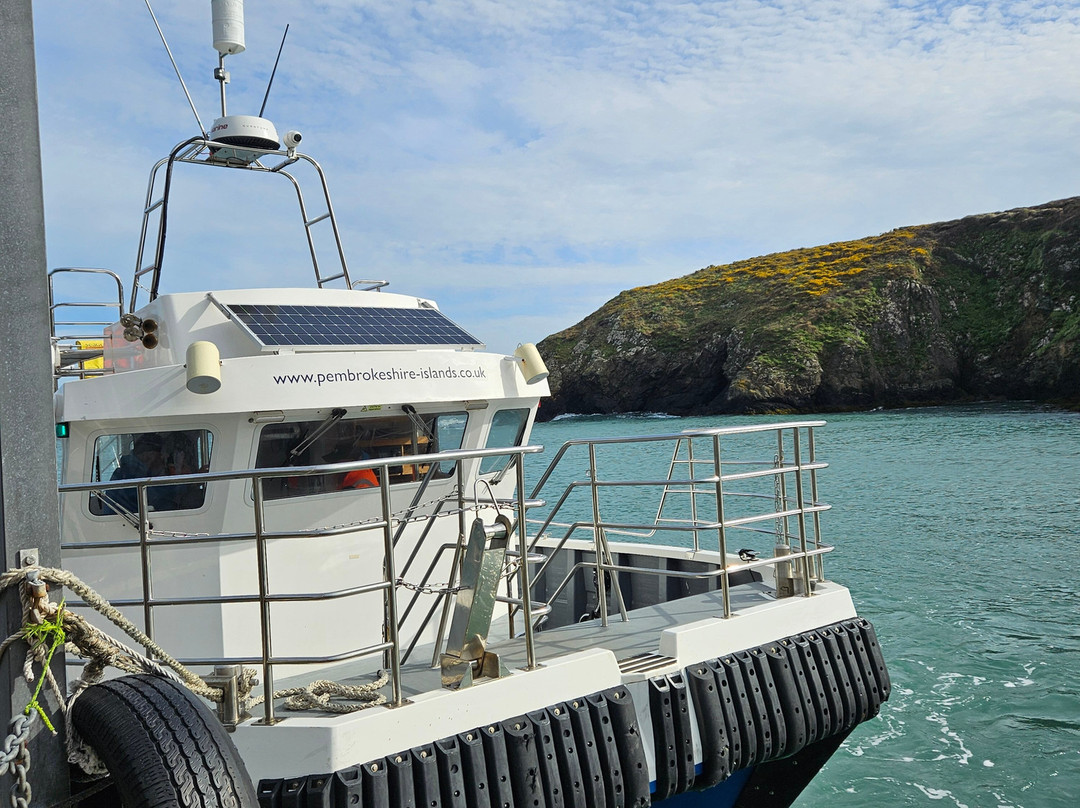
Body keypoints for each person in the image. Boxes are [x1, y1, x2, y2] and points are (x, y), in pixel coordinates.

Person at [104, 433, 167, 514]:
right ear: (150, 455)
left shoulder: (121, 472)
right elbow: (155, 498)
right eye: (161, 454)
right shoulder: (132, 474)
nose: (163, 457)